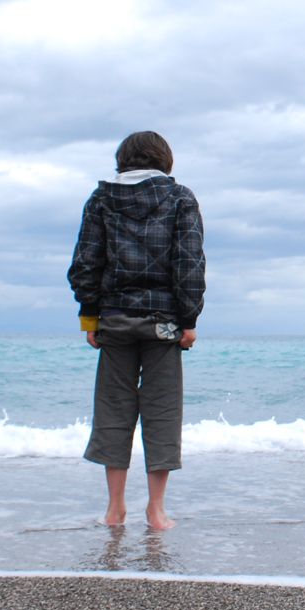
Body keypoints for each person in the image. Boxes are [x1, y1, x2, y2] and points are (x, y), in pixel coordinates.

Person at [68, 131, 205, 531]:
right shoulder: (180, 198)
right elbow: (189, 261)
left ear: (122, 160)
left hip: (113, 318)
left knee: (113, 411)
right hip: (165, 323)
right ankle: (156, 511)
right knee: (162, 413)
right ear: (165, 160)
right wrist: (189, 319)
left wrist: (89, 316)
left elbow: (86, 260)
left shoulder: (101, 198)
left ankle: (115, 509)